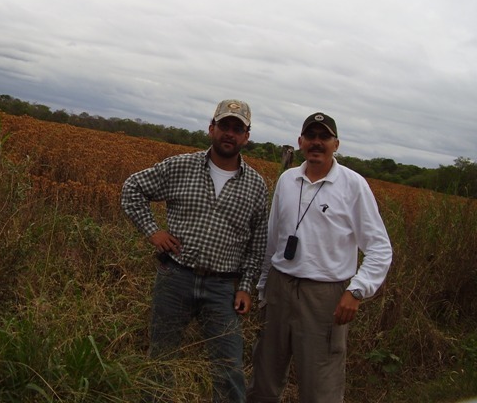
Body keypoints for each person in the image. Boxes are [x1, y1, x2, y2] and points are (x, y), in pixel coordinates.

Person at [121, 99, 269, 403]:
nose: (229, 133)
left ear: (246, 136)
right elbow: (132, 189)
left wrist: (245, 288)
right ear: (211, 128)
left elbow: (257, 244)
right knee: (161, 359)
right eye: (224, 126)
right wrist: (153, 231)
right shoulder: (180, 166)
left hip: (223, 288)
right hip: (175, 277)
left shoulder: (255, 185)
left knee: (228, 369)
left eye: (237, 129)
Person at [247, 112, 393, 403]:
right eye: (310, 136)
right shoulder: (288, 180)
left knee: (320, 387)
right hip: (279, 288)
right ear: (300, 141)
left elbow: (379, 247)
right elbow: (273, 239)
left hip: (324, 297)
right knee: (264, 379)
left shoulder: (353, 185)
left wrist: (356, 291)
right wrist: (263, 287)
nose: (316, 142)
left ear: (336, 143)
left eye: (323, 137)